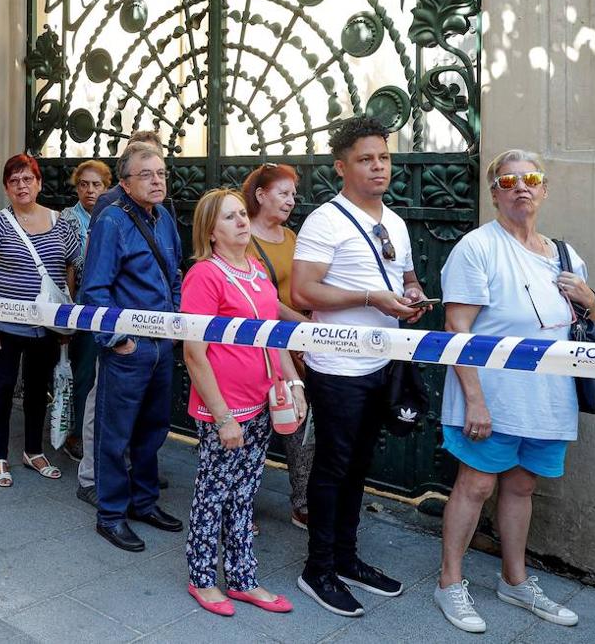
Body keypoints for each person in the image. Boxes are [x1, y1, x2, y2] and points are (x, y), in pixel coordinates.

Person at [432, 150, 584, 633]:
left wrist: (591, 299)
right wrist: (474, 398)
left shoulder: (564, 253)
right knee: (475, 485)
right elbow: (457, 328)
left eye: (531, 178)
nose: (522, 187)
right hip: (491, 396)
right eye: (509, 180)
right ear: (494, 191)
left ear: (544, 189)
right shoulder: (477, 248)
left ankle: (515, 581)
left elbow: (583, 321)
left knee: (522, 486)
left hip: (548, 398)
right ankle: (449, 583)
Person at [291, 115, 432, 617]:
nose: (378, 167)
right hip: (339, 367)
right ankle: (318, 569)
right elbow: (303, 291)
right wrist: (372, 297)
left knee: (357, 468)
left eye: (384, 157)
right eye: (365, 159)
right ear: (341, 167)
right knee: (333, 467)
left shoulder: (393, 221)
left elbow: (407, 276)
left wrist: (411, 295)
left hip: (383, 364)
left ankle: (346, 559)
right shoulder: (325, 220)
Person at [182, 188, 305, 616]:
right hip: (225, 409)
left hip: (261, 402)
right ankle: (201, 578)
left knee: (244, 492)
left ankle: (242, 577)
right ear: (211, 231)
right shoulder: (203, 275)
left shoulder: (256, 271)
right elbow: (194, 353)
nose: (241, 221)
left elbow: (272, 336)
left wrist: (294, 384)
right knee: (213, 492)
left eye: (241, 215)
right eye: (229, 217)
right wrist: (222, 418)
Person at [79, 141, 184, 551]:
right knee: (115, 434)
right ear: (124, 182)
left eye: (161, 173)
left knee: (152, 431)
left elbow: (174, 273)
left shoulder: (164, 218)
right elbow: (94, 290)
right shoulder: (111, 221)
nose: (157, 181)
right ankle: (110, 514)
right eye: (147, 174)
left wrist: (174, 322)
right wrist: (117, 340)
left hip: (161, 345)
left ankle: (144, 502)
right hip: (129, 347)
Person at [0, 153, 79, 486]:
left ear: (39, 183)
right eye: (14, 180)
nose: (21, 185)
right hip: (6, 325)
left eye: (27, 179)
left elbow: (70, 267)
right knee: (3, 389)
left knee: (38, 390)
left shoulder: (59, 220)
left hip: (47, 326)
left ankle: (33, 450)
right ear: (7, 187)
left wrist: (66, 318)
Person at [244, 162, 313, 530]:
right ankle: (240, 505)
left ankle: (302, 502)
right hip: (259, 344)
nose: (291, 201)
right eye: (283, 193)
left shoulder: (290, 237)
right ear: (260, 195)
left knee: (299, 425)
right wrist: (301, 324)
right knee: (253, 428)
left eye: (292, 194)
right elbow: (263, 298)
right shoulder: (244, 238)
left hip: (295, 344)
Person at [61, 159, 110, 462]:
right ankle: (76, 434)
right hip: (80, 305)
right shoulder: (68, 218)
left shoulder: (114, 215)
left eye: (96, 185)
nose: (89, 190)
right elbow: (66, 264)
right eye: (83, 184)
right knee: (83, 374)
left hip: (110, 306)